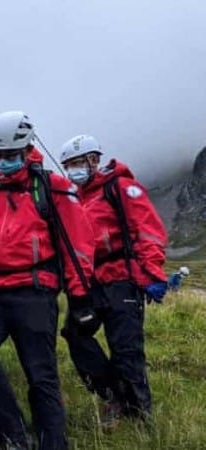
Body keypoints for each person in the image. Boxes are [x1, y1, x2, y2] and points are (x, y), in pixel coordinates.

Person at [0, 111, 95, 450]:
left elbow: (78, 243)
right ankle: (12, 435)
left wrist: (80, 299)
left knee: (40, 373)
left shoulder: (52, 187)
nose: (3, 161)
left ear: (27, 148)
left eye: (10, 155)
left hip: (34, 290)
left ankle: (53, 442)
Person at [59, 134, 168, 425]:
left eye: (77, 163)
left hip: (122, 278)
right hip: (91, 281)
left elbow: (148, 230)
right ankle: (114, 395)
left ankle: (139, 416)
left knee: (126, 348)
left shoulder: (121, 188)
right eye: (67, 166)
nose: (72, 170)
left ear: (94, 160)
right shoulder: (75, 198)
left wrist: (152, 273)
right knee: (75, 333)